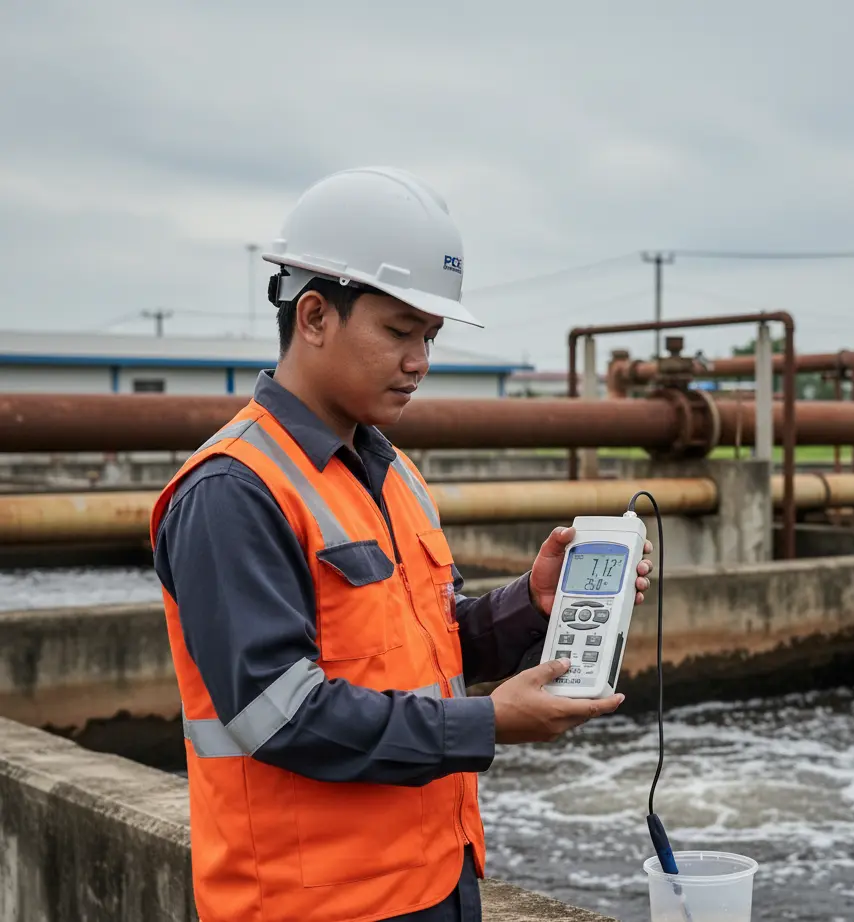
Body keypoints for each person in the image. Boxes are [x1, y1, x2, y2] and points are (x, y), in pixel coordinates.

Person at [150, 166, 653, 922]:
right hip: (312, 906)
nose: (420, 361)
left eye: (430, 336)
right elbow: (280, 715)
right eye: (398, 331)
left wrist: (531, 604)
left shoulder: (388, 472)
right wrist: (489, 724)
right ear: (314, 316)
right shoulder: (234, 490)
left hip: (435, 885)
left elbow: (424, 648)